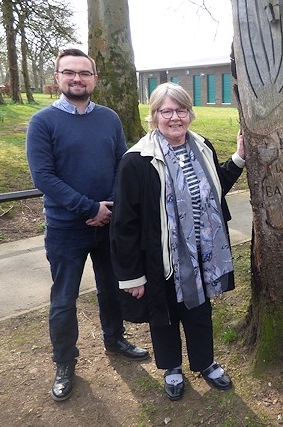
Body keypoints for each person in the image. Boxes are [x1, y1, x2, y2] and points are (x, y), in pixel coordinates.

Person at [26, 48, 149, 402]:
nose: (77, 78)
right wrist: (88, 207)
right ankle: (65, 362)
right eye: (69, 72)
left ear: (95, 78)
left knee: (112, 289)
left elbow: (120, 165)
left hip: (109, 223)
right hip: (66, 229)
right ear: (58, 77)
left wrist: (109, 208)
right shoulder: (42, 122)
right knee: (63, 300)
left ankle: (115, 339)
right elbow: (43, 176)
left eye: (84, 72)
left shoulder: (109, 118)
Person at [110, 82, 245, 401]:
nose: (174, 117)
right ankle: (171, 367)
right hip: (161, 258)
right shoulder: (137, 161)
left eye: (181, 110)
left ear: (190, 113)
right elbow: (124, 224)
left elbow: (214, 189)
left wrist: (239, 157)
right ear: (154, 115)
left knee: (199, 312)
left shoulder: (203, 147)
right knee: (165, 313)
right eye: (166, 111)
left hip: (201, 255)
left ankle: (205, 363)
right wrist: (132, 275)